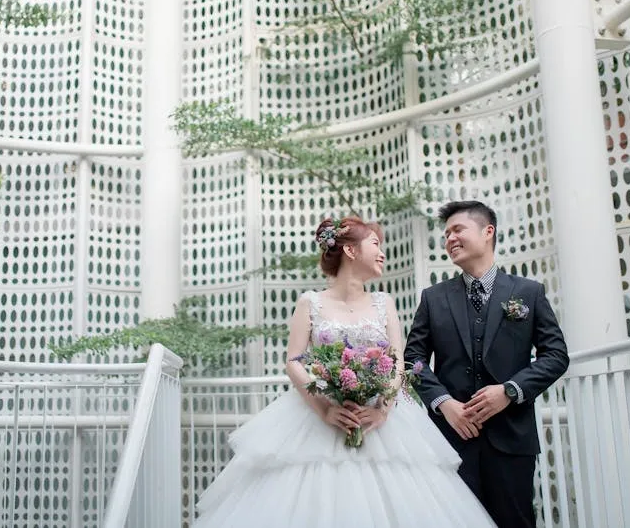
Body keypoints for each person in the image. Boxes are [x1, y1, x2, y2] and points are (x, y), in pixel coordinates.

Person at [194, 216, 497, 527]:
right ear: (351, 251)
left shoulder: (384, 302)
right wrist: (325, 409)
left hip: (384, 422)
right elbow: (294, 361)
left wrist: (383, 410)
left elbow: (396, 361)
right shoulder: (309, 302)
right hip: (320, 417)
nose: (383, 253)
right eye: (376, 244)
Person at [404, 201, 569, 528]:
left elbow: (556, 355)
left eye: (457, 229)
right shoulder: (433, 298)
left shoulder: (528, 292)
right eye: (446, 233)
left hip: (511, 439)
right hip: (449, 439)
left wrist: (510, 391)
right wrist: (443, 403)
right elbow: (413, 360)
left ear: (487, 231)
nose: (449, 238)